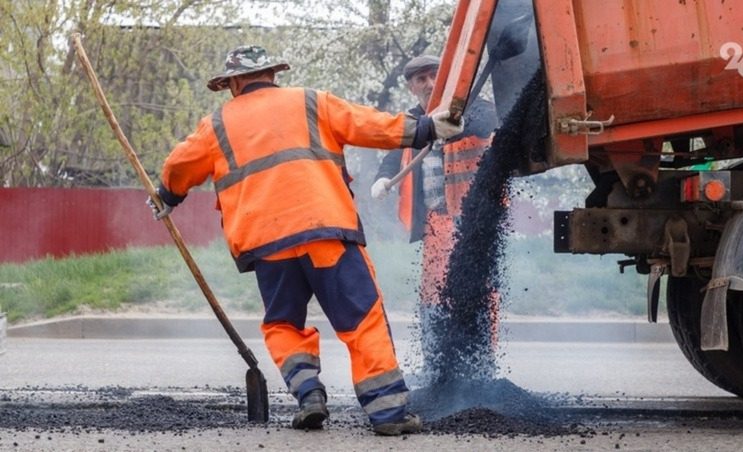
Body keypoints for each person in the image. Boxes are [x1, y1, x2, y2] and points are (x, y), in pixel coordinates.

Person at [147, 45, 463, 435]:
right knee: (361, 318)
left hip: (266, 245)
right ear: (272, 75)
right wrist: (426, 129)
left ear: (232, 84)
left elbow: (180, 166)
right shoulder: (311, 101)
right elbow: (368, 124)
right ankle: (388, 413)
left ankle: (308, 394)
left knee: (283, 322)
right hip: (324, 230)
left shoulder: (216, 124)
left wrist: (167, 195)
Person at [370, 55, 499, 362]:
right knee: (434, 293)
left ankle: (482, 362)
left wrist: (456, 125)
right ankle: (437, 361)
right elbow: (392, 155)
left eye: (433, 76)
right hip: (436, 222)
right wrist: (383, 179)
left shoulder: (472, 107)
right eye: (421, 79)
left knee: (482, 290)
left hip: (474, 221)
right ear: (412, 87)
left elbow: (490, 121)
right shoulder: (412, 123)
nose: (428, 84)